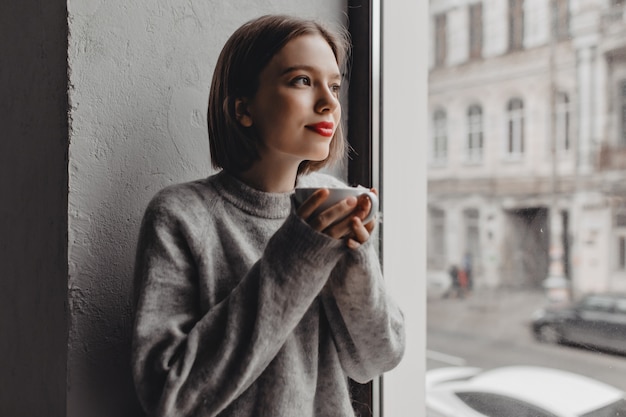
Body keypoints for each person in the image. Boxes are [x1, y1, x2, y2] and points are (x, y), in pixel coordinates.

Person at [131, 14, 405, 417]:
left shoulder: (330, 206)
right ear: (243, 108)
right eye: (301, 80)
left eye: (333, 85)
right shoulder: (181, 216)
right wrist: (298, 254)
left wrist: (356, 259)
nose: (329, 102)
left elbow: (376, 360)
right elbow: (170, 398)